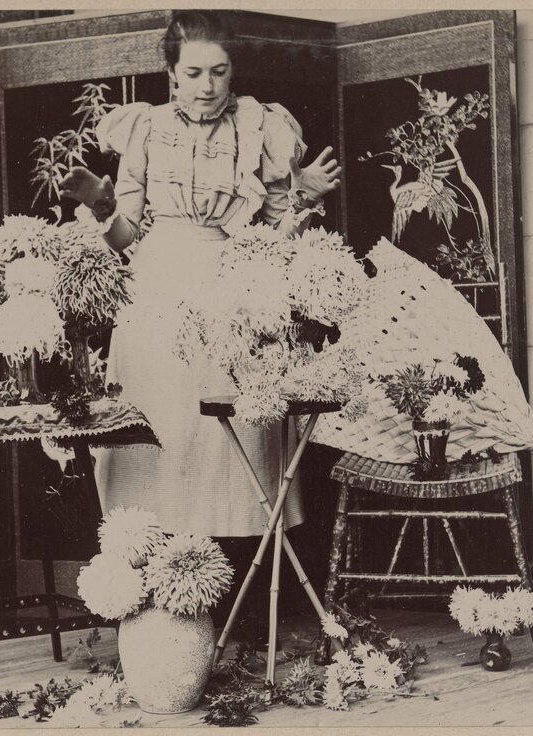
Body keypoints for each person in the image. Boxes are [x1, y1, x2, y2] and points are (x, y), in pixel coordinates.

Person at [60, 11, 341, 540]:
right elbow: (124, 237)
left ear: (233, 70)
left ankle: (236, 569)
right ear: (172, 74)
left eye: (219, 70)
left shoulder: (260, 125)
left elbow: (274, 239)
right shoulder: (145, 127)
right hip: (155, 289)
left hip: (233, 287)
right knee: (160, 417)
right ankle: (155, 561)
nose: (207, 85)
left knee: (222, 428)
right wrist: (99, 201)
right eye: (193, 73)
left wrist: (303, 192)